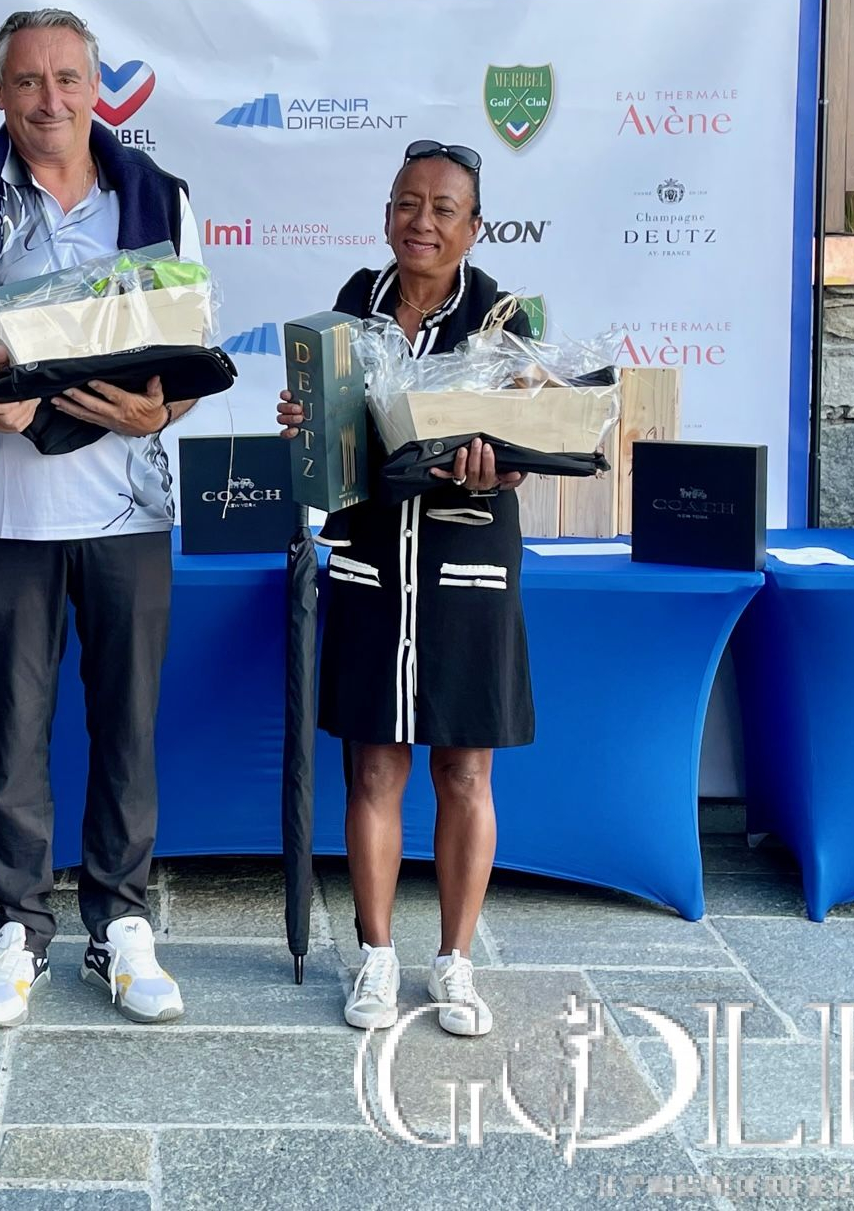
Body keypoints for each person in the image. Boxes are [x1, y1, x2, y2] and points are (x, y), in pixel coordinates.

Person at [0, 8, 201, 1028]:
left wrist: (161, 411)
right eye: (28, 81)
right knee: (13, 730)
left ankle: (122, 922)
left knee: (127, 725)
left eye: (68, 78)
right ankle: (19, 927)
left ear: (94, 87)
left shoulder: (158, 194)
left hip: (130, 508)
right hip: (7, 511)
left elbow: (190, 349)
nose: (50, 99)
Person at [275, 138, 534, 1040]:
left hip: (467, 563)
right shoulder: (355, 304)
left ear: (475, 226)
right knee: (375, 764)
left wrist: (501, 466)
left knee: (465, 769)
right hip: (372, 557)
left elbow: (528, 444)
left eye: (443, 208)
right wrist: (305, 422)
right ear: (387, 213)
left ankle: (455, 961)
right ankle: (377, 954)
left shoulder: (504, 320)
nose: (422, 222)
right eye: (407, 204)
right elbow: (335, 438)